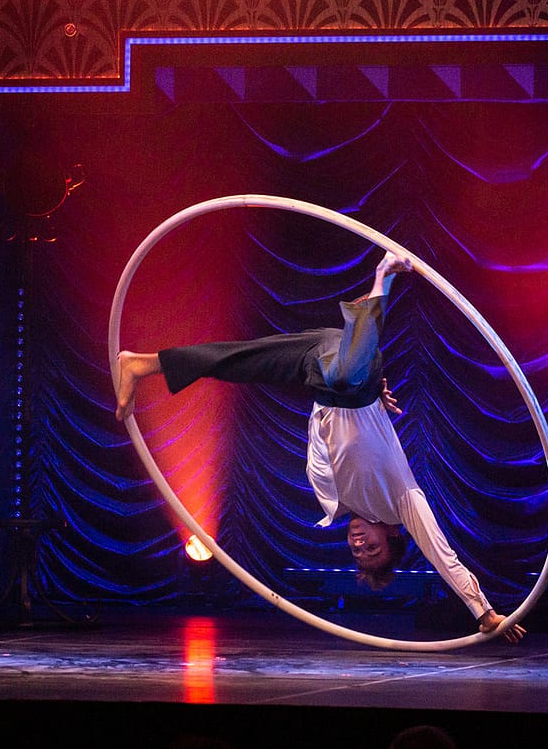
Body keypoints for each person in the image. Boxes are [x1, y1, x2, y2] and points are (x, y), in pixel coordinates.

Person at [114, 251, 524, 641]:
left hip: (321, 369)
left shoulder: (336, 502)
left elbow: (327, 430)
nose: (359, 544)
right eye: (373, 549)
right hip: (351, 381)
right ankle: (382, 277)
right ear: (394, 536)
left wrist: (369, 397)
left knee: (233, 362)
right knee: (347, 377)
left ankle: (141, 363)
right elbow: (441, 553)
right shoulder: (403, 502)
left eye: (358, 553)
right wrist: (484, 613)